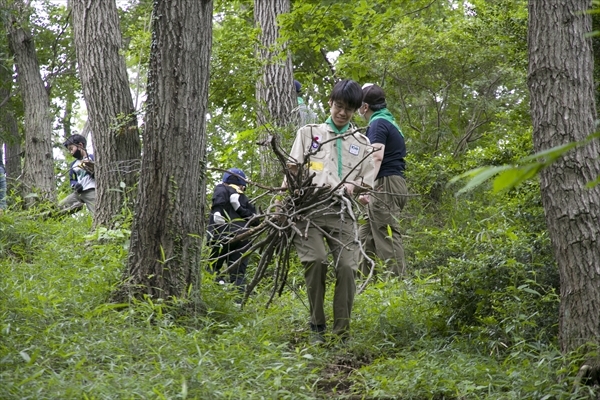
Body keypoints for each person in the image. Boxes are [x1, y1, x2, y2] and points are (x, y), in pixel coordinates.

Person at [285, 79, 375, 343]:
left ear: (357, 110)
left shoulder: (361, 141)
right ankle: (316, 326)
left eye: (349, 108)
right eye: (338, 106)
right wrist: (281, 205)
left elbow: (366, 181)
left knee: (348, 267)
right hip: (308, 210)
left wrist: (352, 187)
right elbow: (291, 171)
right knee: (315, 260)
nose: (342, 113)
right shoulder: (308, 133)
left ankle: (341, 333)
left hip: (343, 211)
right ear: (330, 103)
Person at [357, 84, 408, 277]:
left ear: (365, 107)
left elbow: (376, 157)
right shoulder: (389, 121)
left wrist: (366, 187)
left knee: (387, 234)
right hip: (391, 183)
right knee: (365, 235)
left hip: (385, 184)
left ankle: (398, 285)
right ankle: (362, 283)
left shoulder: (377, 124)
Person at [207, 168, 258, 292]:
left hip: (222, 235)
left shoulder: (221, 189)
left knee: (212, 268)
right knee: (238, 274)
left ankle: (220, 284)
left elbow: (218, 203)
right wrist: (240, 208)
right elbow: (256, 220)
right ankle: (237, 301)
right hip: (242, 236)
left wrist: (218, 210)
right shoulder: (244, 198)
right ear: (242, 185)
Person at [59, 134, 96, 214]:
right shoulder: (73, 165)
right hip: (78, 193)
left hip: (91, 190)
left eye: (71, 149)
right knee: (60, 206)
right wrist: (75, 185)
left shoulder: (93, 158)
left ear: (80, 145)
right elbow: (72, 180)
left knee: (96, 212)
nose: (71, 153)